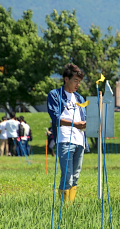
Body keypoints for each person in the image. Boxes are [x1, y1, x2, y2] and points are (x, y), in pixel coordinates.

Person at [47, 63, 89, 203]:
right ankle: (62, 209)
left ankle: (70, 207)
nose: (78, 84)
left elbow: (84, 118)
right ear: (66, 79)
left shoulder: (80, 98)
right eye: (75, 81)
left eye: (79, 82)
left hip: (80, 140)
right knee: (67, 176)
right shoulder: (55, 95)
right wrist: (75, 124)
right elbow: (56, 118)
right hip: (64, 139)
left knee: (75, 176)